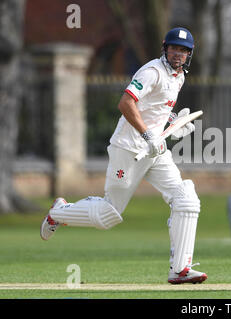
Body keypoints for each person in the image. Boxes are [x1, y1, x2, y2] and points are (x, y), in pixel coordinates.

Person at [40, 27, 207, 285]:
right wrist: (147, 134)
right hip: (129, 149)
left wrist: (174, 123)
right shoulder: (152, 72)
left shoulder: (179, 77)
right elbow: (126, 103)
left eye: (184, 51)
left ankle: (180, 268)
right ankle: (60, 212)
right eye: (174, 48)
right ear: (165, 48)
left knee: (186, 198)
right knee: (109, 215)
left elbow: (153, 109)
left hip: (155, 150)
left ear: (189, 55)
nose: (178, 54)